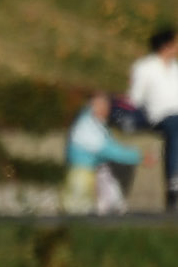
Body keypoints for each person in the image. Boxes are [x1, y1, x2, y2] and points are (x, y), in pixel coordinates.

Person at [126, 27, 178, 208]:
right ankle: (174, 181)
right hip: (157, 117)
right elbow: (134, 98)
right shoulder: (145, 67)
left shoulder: (175, 69)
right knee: (175, 125)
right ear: (166, 45)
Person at [68, 91, 143, 216]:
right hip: (82, 175)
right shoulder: (86, 126)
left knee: (108, 173)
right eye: (104, 106)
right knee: (78, 209)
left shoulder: (96, 124)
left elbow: (112, 146)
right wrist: (139, 156)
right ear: (93, 106)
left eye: (107, 106)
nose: (107, 110)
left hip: (94, 172)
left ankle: (111, 205)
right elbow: (109, 150)